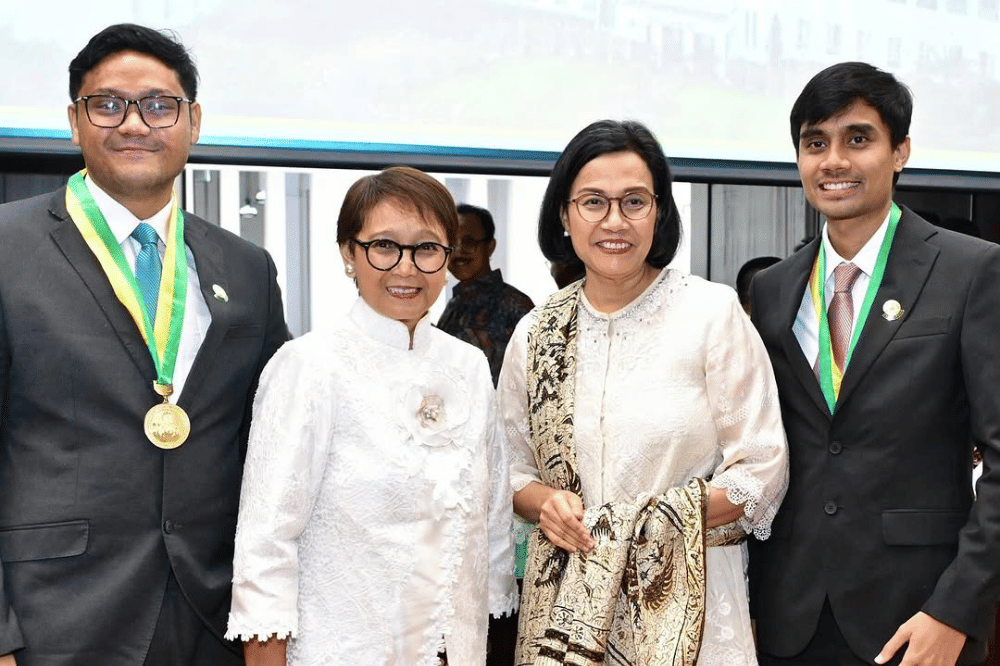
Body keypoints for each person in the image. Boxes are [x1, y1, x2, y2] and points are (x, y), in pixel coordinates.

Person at [0, 23, 289, 666]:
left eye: (159, 105)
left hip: (213, 619)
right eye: (107, 104)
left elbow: (277, 444)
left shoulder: (247, 267)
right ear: (74, 122)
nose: (134, 123)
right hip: (53, 623)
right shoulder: (6, 247)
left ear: (193, 122)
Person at [498, 120, 788, 666]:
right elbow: (509, 469)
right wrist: (546, 505)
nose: (615, 221)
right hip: (568, 612)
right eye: (593, 202)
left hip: (689, 611)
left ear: (660, 212)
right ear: (564, 215)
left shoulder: (710, 314)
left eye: (634, 201)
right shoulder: (536, 332)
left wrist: (640, 527)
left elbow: (762, 468)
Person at [748, 62, 1000, 666]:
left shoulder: (971, 271)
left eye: (857, 139)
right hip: (792, 619)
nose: (833, 161)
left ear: (900, 151)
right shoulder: (772, 289)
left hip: (918, 618)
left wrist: (955, 611)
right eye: (815, 143)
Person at [227, 166, 517, 665]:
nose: (407, 268)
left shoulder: (467, 366)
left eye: (427, 248)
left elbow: (490, 519)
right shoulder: (309, 366)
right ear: (349, 252)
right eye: (384, 246)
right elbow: (267, 542)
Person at [438, 203, 534, 386]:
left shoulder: (515, 305)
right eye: (451, 244)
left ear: (490, 247)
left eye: (469, 242)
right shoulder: (455, 303)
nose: (458, 251)